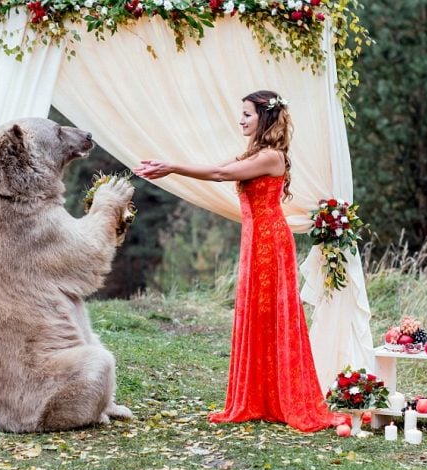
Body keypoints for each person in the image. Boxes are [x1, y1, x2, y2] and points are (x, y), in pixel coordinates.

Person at [133, 90, 343, 432]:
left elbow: (219, 173)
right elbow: (222, 169)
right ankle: (261, 398)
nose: (240, 120)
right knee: (258, 316)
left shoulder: (272, 156)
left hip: (270, 242)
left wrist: (173, 167)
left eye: (247, 114)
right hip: (255, 239)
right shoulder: (256, 153)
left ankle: (280, 398)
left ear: (265, 117)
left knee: (273, 315)